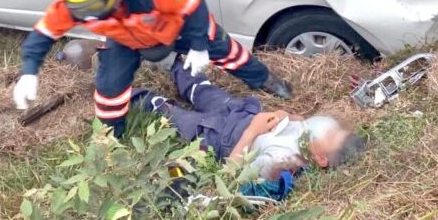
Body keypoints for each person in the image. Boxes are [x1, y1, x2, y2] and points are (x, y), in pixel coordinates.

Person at [14, 0, 293, 137]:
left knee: (229, 53)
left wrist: (198, 45)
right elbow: (43, 33)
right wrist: (29, 71)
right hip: (125, 39)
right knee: (110, 87)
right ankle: (111, 136)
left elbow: (193, 4)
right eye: (85, 12)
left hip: (179, 27)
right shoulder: (77, 3)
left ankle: (268, 82)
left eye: (99, 7)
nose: (92, 16)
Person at [132, 59, 367, 181]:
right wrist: (287, 115)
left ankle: (128, 97)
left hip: (221, 136)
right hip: (241, 111)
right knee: (202, 90)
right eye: (337, 130)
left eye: (331, 136)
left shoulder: (284, 162)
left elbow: (229, 175)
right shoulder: (320, 129)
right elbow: (301, 120)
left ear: (321, 158)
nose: (328, 128)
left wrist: (251, 132)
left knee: (169, 114)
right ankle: (171, 61)